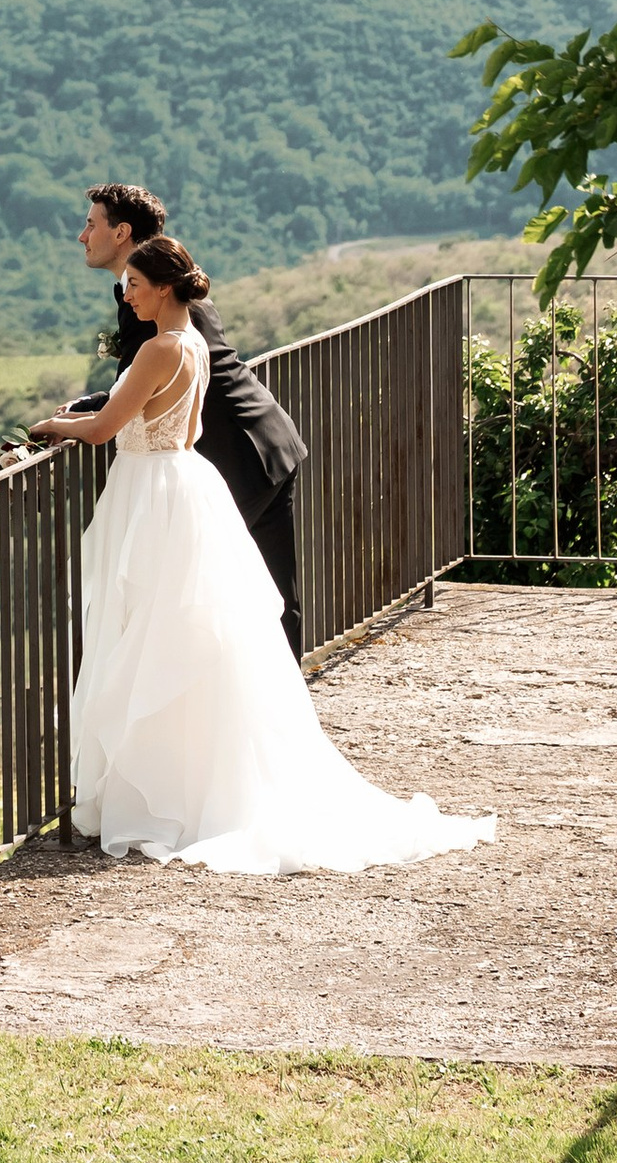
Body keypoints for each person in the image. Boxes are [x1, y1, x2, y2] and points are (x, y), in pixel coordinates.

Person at [30, 235, 494, 872]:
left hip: (149, 493)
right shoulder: (192, 343)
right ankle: (179, 785)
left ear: (162, 288)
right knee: (176, 635)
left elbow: (106, 426)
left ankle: (156, 790)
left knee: (146, 633)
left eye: (134, 285)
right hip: (183, 482)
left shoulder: (157, 348)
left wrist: (53, 426)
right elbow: (188, 428)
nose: (126, 294)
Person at [42, 182, 308, 654]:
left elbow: (149, 379)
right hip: (261, 440)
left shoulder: (155, 298)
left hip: (233, 454)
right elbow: (146, 379)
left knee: (216, 599)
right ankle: (278, 694)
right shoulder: (165, 281)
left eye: (90, 224)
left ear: (121, 232)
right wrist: (90, 403)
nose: (82, 236)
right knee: (265, 596)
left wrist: (71, 418)